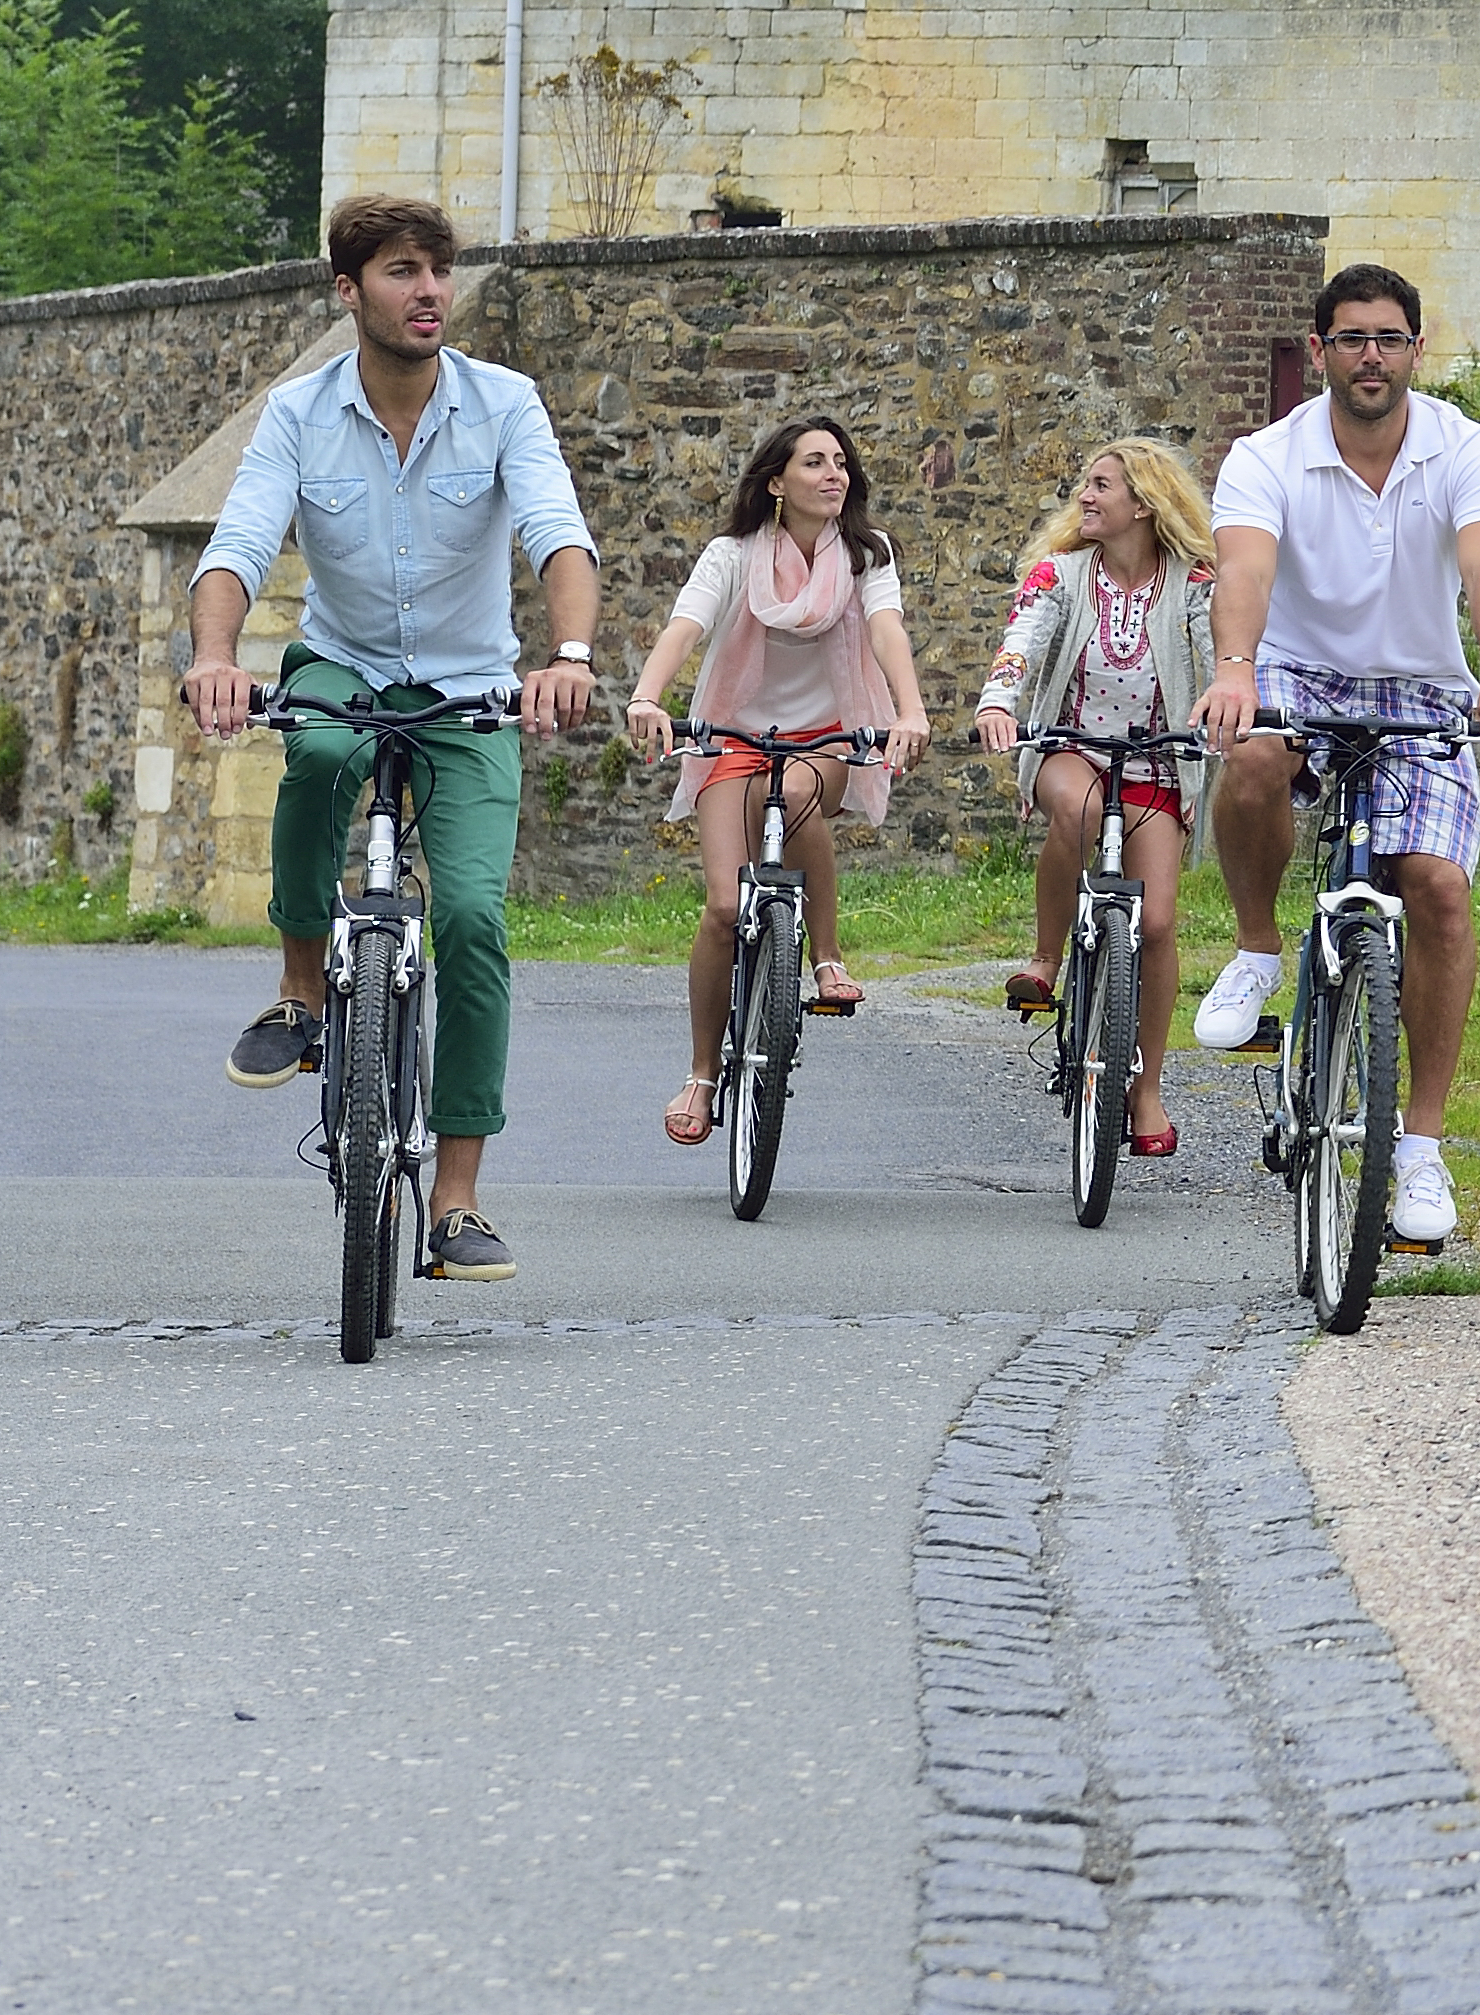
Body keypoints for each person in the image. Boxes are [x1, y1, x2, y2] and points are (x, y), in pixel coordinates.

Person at [184, 194, 603, 1281]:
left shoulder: (505, 403)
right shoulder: (298, 411)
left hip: (468, 687)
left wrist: (568, 656)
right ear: (348, 290)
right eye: (402, 271)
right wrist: (215, 657)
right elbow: (238, 541)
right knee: (318, 752)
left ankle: (457, 1199)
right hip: (345, 663)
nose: (428, 292)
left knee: (468, 916)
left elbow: (558, 531)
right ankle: (301, 987)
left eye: (439, 272)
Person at [1192, 265, 1480, 1250]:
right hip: (1298, 673)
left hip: (1421, 688)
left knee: (1436, 888)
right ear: (1319, 351)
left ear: (1416, 349)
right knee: (1252, 754)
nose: (1370, 355)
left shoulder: (1467, 448)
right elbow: (1247, 569)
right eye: (1350, 338)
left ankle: (1420, 1150)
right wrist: (1233, 668)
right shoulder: (1267, 455)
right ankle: (1258, 953)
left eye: (1388, 337)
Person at [622, 417, 929, 1146]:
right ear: (776, 482)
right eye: (815, 462)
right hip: (731, 734)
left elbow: (887, 632)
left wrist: (909, 710)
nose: (835, 474)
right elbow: (685, 626)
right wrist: (645, 696)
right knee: (726, 908)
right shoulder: (733, 554)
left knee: (791, 796)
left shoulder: (866, 554)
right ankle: (701, 1074)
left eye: (841, 463)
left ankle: (825, 955)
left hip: (823, 734)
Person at [972, 439, 1221, 1153]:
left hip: (1157, 765)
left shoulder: (1195, 582)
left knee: (1160, 924)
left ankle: (1146, 1089)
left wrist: (1223, 707)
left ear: (1143, 504)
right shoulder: (1061, 574)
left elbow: (1219, 646)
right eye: (1087, 483)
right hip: (1070, 748)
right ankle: (1048, 959)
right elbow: (1022, 641)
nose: (1085, 495)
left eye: (1101, 485)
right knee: (1078, 814)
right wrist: (999, 703)